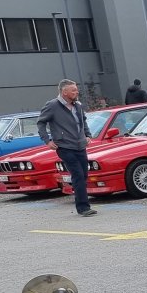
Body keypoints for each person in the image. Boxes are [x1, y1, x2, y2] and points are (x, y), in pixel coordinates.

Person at [38, 79, 95, 217]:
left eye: (76, 89)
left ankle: (82, 201)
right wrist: (47, 141)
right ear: (64, 92)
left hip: (80, 145)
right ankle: (83, 207)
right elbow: (41, 123)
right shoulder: (52, 105)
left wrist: (87, 135)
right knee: (78, 174)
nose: (77, 92)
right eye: (73, 90)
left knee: (83, 175)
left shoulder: (78, 105)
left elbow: (83, 121)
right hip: (64, 146)